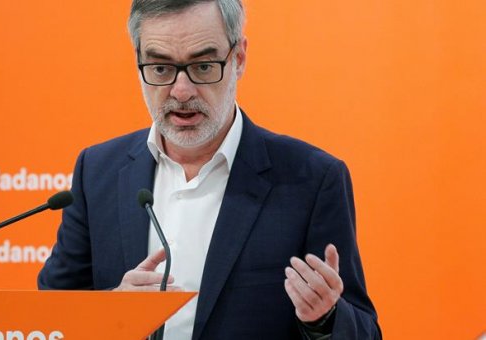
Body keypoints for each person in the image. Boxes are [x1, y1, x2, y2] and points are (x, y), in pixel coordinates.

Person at [38, 0, 381, 339]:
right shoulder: (97, 171)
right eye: (160, 69)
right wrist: (111, 313)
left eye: (203, 66)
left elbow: (365, 331)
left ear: (239, 58)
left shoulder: (312, 179)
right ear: (138, 62)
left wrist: (323, 320)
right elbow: (50, 319)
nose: (181, 91)